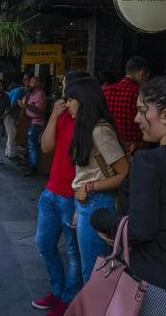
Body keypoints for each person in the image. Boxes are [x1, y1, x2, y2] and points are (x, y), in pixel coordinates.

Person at [94, 76, 166, 316]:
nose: (137, 119)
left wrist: (104, 221)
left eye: (142, 111)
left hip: (156, 289)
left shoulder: (149, 162)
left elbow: (139, 230)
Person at [33, 71, 91, 316]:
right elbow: (45, 146)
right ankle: (58, 291)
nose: (64, 96)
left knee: (73, 252)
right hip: (51, 192)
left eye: (66, 89)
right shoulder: (64, 116)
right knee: (44, 244)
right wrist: (54, 116)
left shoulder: (90, 122)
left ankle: (67, 299)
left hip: (73, 196)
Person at [64, 78, 130, 283]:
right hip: (87, 203)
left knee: (94, 275)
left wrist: (89, 187)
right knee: (90, 270)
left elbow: (125, 174)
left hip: (98, 203)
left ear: (84, 101)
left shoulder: (100, 131)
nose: (67, 105)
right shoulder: (86, 128)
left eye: (70, 99)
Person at [103, 56, 151, 154]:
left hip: (109, 147)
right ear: (141, 74)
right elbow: (147, 121)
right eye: (147, 77)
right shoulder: (140, 94)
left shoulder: (106, 91)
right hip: (135, 150)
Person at [19, 76, 47, 176]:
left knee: (33, 145)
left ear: (38, 83)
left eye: (32, 81)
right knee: (30, 144)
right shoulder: (33, 93)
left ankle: (33, 167)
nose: (29, 83)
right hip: (31, 121)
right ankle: (29, 163)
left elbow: (39, 111)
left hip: (37, 123)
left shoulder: (40, 94)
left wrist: (26, 105)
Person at [5, 80, 25, 160]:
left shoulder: (15, 91)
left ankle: (8, 151)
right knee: (13, 133)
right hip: (9, 114)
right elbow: (13, 104)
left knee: (11, 133)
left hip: (9, 114)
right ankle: (11, 153)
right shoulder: (19, 91)